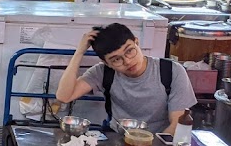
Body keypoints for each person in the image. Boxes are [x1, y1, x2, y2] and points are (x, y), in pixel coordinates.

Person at [55, 22, 196, 136]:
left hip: (159, 142)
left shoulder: (172, 71)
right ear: (106, 63)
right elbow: (64, 96)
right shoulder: (103, 72)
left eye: (129, 51)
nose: (127, 61)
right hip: (117, 141)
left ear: (137, 42)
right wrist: (80, 52)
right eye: (116, 59)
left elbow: (178, 123)